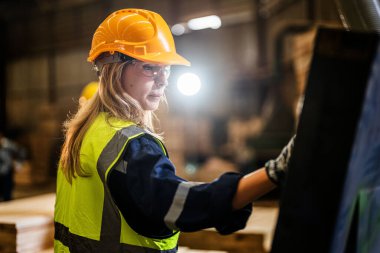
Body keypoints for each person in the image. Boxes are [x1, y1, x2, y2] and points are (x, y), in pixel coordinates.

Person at [54, 8, 295, 253]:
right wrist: (273, 173)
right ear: (114, 69)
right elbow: (181, 205)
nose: (163, 79)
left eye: (166, 68)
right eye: (150, 67)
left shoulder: (85, 133)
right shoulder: (129, 145)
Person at [0, 132, 26, 201]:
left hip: (7, 171)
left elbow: (21, 152)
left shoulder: (9, 145)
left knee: (7, 194)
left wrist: (18, 164)